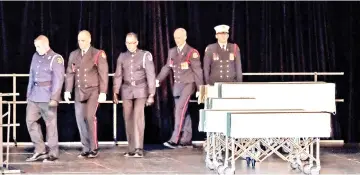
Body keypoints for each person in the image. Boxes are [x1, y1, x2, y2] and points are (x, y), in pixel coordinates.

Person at [64, 30, 109, 158]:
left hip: (93, 91)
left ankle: (93, 147)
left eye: (83, 40)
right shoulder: (74, 54)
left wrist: (103, 92)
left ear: (89, 40)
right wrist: (68, 90)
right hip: (79, 91)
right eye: (79, 40)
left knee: (90, 117)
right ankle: (85, 147)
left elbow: (103, 74)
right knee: (79, 119)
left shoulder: (98, 54)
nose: (81, 43)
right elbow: (70, 73)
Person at [156, 28, 204, 148]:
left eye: (179, 37)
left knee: (179, 110)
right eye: (176, 37)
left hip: (189, 84)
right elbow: (167, 67)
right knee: (183, 112)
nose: (177, 40)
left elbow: (198, 71)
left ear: (185, 37)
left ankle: (175, 139)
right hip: (178, 86)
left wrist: (200, 89)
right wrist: (158, 79)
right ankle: (186, 140)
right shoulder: (172, 51)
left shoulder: (191, 52)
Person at [113, 32, 156, 157]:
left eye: (132, 43)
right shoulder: (122, 56)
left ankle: (139, 148)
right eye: (127, 43)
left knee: (138, 118)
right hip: (126, 90)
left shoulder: (144, 55)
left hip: (141, 90)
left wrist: (151, 94)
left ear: (137, 43)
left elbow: (151, 75)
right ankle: (131, 148)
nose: (130, 45)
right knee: (128, 119)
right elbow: (118, 75)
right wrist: (115, 91)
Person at [25, 35, 65, 162]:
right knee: (30, 121)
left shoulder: (56, 58)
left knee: (51, 125)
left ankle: (53, 152)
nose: (37, 49)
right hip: (34, 96)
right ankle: (40, 149)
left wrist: (55, 98)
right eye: (35, 46)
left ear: (46, 45)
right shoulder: (35, 56)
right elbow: (31, 75)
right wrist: (28, 94)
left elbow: (58, 80)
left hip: (47, 96)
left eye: (39, 46)